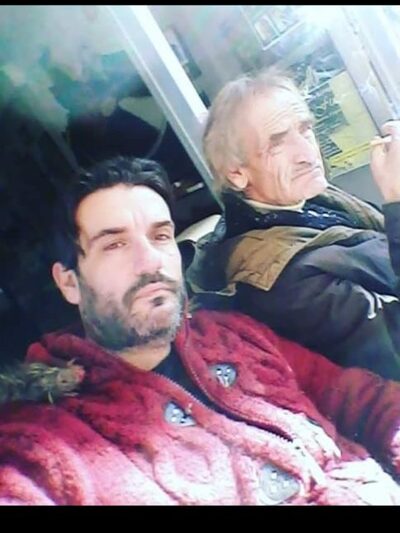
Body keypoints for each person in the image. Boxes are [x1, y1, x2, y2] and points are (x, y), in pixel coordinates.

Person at [2, 156, 400, 505]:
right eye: (114, 245)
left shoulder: (234, 335)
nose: (150, 261)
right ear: (69, 282)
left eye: (160, 236)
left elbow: (364, 399)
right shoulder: (46, 436)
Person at [186, 67, 400, 380]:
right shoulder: (281, 282)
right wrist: (396, 202)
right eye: (277, 143)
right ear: (237, 173)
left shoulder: (305, 198)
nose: (306, 153)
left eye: (305, 129)